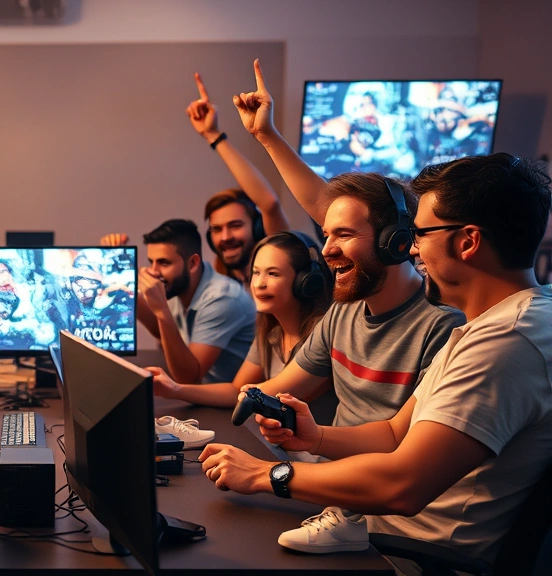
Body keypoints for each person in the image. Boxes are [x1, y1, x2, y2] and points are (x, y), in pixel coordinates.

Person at [199, 153, 552, 570]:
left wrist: (263, 475)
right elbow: (393, 432)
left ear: (467, 242)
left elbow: (402, 485)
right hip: (368, 529)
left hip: (404, 556)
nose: (411, 248)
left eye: (420, 234)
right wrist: (316, 438)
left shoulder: (504, 344)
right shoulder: (490, 326)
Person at [195, 57, 465, 554]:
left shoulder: (443, 328)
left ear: (394, 241)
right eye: (325, 235)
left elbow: (400, 448)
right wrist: (191, 429)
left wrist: (270, 468)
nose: (326, 250)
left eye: (342, 235)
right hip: (329, 485)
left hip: (378, 511)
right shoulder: (344, 311)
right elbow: (279, 387)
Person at [101, 72, 290, 288]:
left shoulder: (278, 257)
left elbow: (269, 203)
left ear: (257, 227)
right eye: (216, 229)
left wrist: (214, 136)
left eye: (235, 225)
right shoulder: (215, 285)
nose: (225, 237)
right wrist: (115, 263)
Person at [151, 231, 332, 409]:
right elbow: (236, 390)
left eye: (273, 274)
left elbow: (273, 399)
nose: (259, 284)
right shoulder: (271, 333)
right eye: (256, 272)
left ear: (306, 281)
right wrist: (174, 389)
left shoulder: (322, 335)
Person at [139, 219, 256, 384]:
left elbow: (188, 377)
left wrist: (161, 310)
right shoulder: (180, 286)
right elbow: (161, 331)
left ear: (193, 263)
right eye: (152, 262)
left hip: (227, 397)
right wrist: (127, 287)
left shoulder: (222, 298)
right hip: (198, 390)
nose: (153, 271)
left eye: (164, 263)